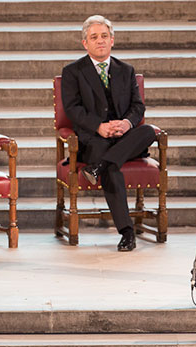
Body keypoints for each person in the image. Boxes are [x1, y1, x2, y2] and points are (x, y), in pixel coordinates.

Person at [61, 15, 156, 252]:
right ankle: (127, 232)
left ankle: (98, 167)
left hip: (125, 137)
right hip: (94, 140)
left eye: (104, 36)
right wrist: (99, 126)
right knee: (111, 166)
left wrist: (126, 123)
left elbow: (138, 107)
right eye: (94, 37)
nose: (100, 41)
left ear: (112, 40)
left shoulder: (126, 70)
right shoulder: (73, 71)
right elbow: (73, 109)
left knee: (147, 131)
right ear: (85, 43)